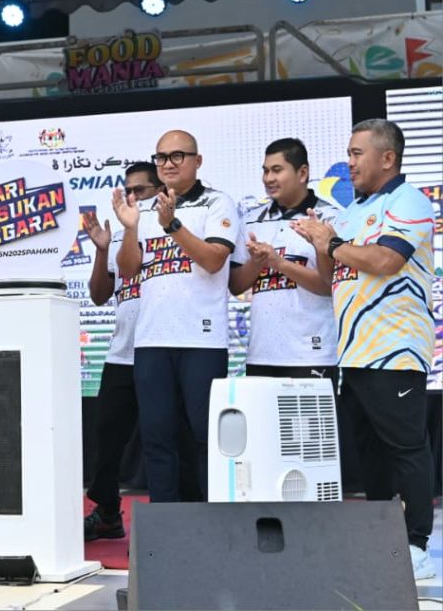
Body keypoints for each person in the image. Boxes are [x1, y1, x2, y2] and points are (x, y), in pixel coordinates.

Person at [292, 119, 436, 581]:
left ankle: (417, 544)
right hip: (352, 354)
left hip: (395, 351)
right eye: (349, 153)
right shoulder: (352, 211)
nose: (349, 162)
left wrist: (332, 241)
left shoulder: (409, 200)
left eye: (357, 153)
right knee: (369, 454)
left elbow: (386, 260)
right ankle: (382, 537)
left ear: (387, 158)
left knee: (406, 450)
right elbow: (330, 278)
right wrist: (318, 245)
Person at [113, 131, 240, 502]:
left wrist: (172, 225)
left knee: (206, 437)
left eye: (177, 156)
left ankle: (215, 520)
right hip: (151, 340)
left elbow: (214, 260)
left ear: (197, 161)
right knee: (157, 438)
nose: (167, 164)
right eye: (161, 157)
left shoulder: (218, 202)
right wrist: (130, 228)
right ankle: (164, 521)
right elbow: (128, 270)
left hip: (202, 340)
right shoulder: (146, 210)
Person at [83, 162, 201, 538]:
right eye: (128, 190)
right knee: (107, 437)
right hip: (123, 352)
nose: (133, 197)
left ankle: (185, 514)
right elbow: (99, 295)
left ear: (161, 190)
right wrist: (102, 250)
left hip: (165, 349)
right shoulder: (123, 234)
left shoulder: (177, 229)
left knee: (174, 437)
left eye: (141, 190)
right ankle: (107, 512)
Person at [229, 138, 339, 382]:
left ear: (302, 173)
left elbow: (330, 286)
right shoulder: (250, 220)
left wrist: (279, 263)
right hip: (261, 354)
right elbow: (235, 285)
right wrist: (257, 262)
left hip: (312, 354)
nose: (268, 178)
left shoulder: (330, 218)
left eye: (277, 170)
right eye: (265, 171)